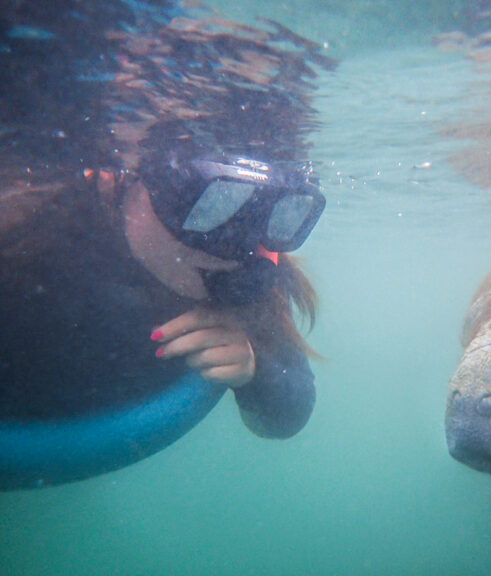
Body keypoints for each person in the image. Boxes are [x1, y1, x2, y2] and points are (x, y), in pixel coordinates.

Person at [0, 0, 331, 487]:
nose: (239, 248)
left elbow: (289, 411)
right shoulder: (26, 227)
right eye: (212, 205)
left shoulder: (246, 263)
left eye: (270, 214)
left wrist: (255, 368)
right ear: (122, 180)